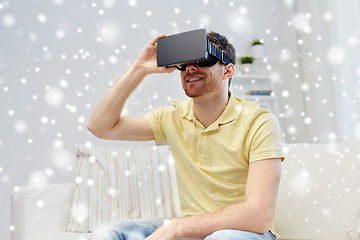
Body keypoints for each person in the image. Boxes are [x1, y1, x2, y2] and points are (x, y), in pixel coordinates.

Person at [87, 30, 285, 240]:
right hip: (191, 232)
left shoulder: (259, 122)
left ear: (228, 71)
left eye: (203, 59)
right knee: (107, 233)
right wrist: (139, 69)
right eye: (184, 63)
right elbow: (100, 127)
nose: (191, 67)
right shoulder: (171, 117)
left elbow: (259, 215)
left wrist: (179, 227)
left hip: (244, 233)